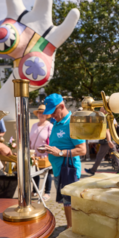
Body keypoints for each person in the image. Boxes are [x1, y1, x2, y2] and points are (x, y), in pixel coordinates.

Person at [43, 94, 86, 228]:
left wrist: (59, 153)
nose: (51, 116)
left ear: (61, 106)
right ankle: (71, 228)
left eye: (53, 112)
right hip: (59, 169)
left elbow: (82, 150)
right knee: (67, 203)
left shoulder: (72, 122)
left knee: (70, 202)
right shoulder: (57, 122)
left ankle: (71, 231)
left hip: (68, 170)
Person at [84, 107, 119, 175]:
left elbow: (106, 130)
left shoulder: (105, 118)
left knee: (99, 156)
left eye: (101, 109)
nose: (99, 110)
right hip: (111, 139)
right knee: (115, 155)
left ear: (104, 111)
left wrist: (108, 141)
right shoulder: (111, 117)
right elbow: (115, 127)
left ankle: (93, 170)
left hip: (106, 141)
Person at [30, 104, 53, 201]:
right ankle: (35, 191)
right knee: (34, 173)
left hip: (45, 155)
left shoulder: (50, 126)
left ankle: (47, 193)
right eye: (39, 112)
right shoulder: (34, 125)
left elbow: (52, 141)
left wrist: (46, 150)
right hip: (33, 154)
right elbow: (30, 139)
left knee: (47, 174)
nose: (41, 114)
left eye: (43, 113)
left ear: (47, 115)